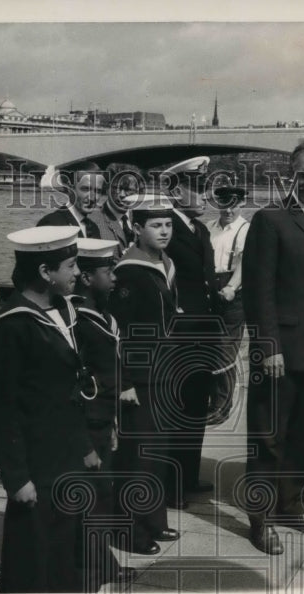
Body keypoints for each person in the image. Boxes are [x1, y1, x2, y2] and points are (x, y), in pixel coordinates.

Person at [0, 226, 102, 592]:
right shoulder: (13, 325)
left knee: (63, 548)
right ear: (45, 272)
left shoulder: (63, 311)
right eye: (69, 265)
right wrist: (16, 478)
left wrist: (85, 447)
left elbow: (70, 391)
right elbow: (4, 409)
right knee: (32, 556)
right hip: (35, 460)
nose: (77, 272)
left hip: (65, 454)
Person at [243, 140, 304, 554]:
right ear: (290, 176)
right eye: (302, 176)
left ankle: (291, 504)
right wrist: (269, 347)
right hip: (280, 351)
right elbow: (258, 290)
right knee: (268, 436)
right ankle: (259, 520)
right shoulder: (269, 220)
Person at [107, 194, 182, 555]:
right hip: (140, 377)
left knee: (158, 452)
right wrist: (124, 382)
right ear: (136, 229)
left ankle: (154, 520)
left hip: (163, 372)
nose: (164, 231)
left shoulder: (166, 264)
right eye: (155, 225)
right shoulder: (129, 271)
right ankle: (129, 530)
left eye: (168, 224)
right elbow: (118, 332)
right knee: (137, 456)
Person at [71, 237, 137, 587]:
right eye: (107, 270)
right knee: (93, 497)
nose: (114, 276)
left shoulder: (101, 313)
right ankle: (92, 571)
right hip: (89, 419)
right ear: (85, 277)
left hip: (103, 416)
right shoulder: (78, 320)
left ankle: (101, 564)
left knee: (102, 494)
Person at [161, 156, 219, 504]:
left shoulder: (201, 230)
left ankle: (189, 476)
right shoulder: (167, 229)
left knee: (197, 406)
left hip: (203, 332)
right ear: (176, 189)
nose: (202, 194)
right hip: (181, 334)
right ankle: (172, 485)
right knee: (179, 408)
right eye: (196, 187)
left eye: (203, 187)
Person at [207, 186, 251, 425]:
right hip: (212, 289)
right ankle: (212, 399)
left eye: (234, 204)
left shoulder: (246, 229)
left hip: (233, 292)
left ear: (242, 203)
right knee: (210, 347)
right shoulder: (210, 228)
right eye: (224, 204)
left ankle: (221, 406)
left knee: (226, 348)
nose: (229, 210)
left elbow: (245, 263)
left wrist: (232, 288)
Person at [37, 162, 102, 239]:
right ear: (70, 188)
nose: (92, 198)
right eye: (85, 189)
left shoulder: (94, 229)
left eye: (98, 191)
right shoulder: (51, 224)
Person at [102, 162, 145, 251]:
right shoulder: (94, 220)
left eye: (128, 189)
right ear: (107, 189)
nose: (121, 194)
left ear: (137, 191)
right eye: (115, 188)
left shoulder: (142, 218)